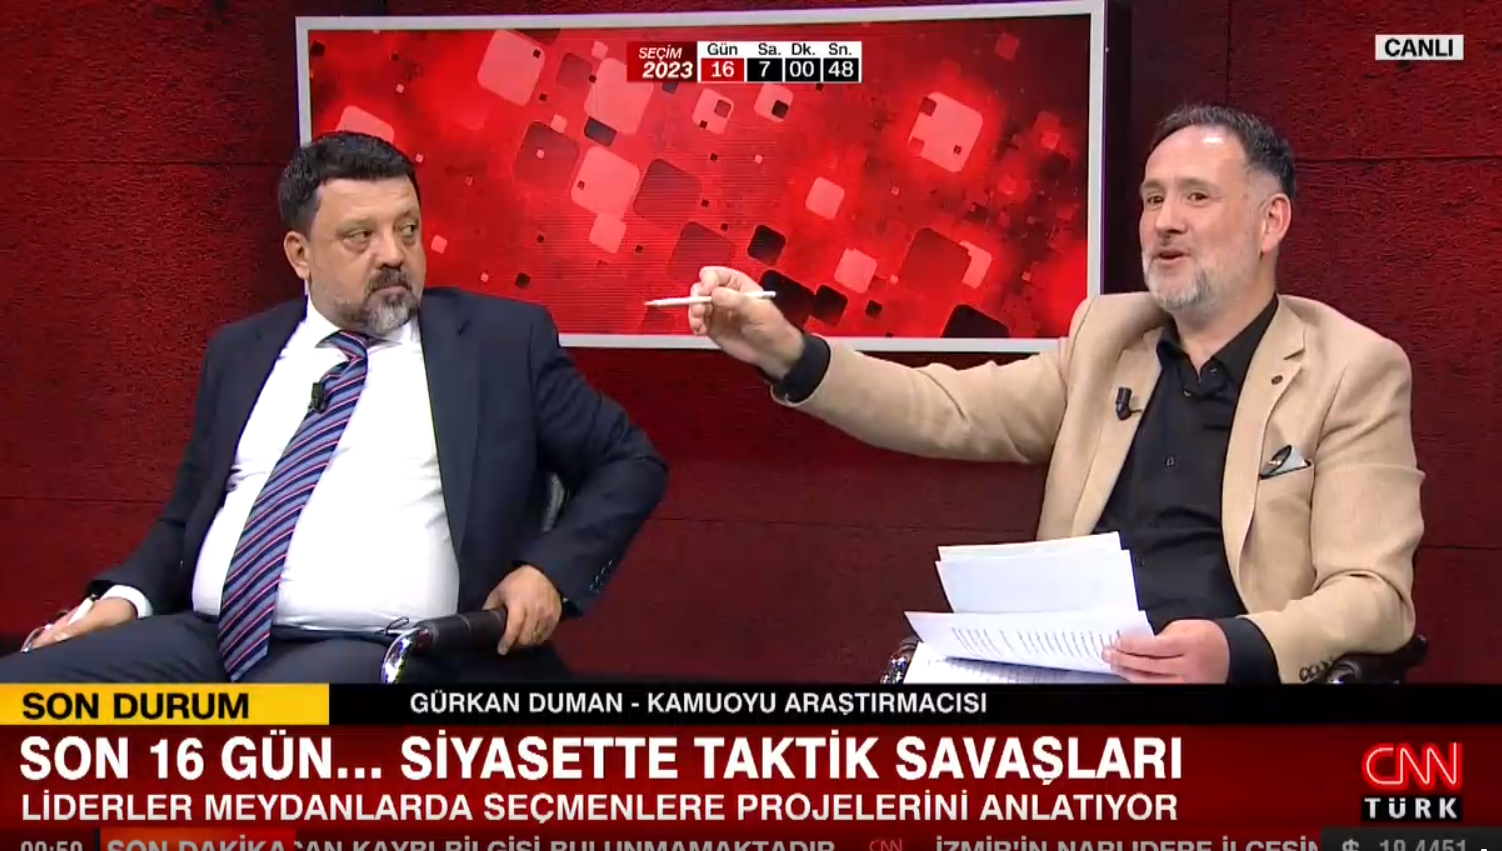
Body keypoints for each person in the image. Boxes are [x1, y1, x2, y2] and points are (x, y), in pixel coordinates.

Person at [687, 105, 1423, 684]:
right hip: (1073, 672)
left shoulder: (1351, 369)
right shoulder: (1109, 337)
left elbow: (1374, 594)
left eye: (1197, 196)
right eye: (1153, 198)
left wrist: (1240, 648)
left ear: (1271, 222)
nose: (1165, 220)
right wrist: (789, 352)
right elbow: (946, 408)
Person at [0, 131, 668, 683]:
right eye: (360, 236)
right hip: (204, 639)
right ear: (300, 254)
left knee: (269, 731)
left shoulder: (498, 345)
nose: (394, 255)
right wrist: (126, 597)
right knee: (22, 691)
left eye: (407, 229)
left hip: (381, 650)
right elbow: (188, 515)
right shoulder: (241, 350)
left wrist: (549, 571)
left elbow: (629, 460)